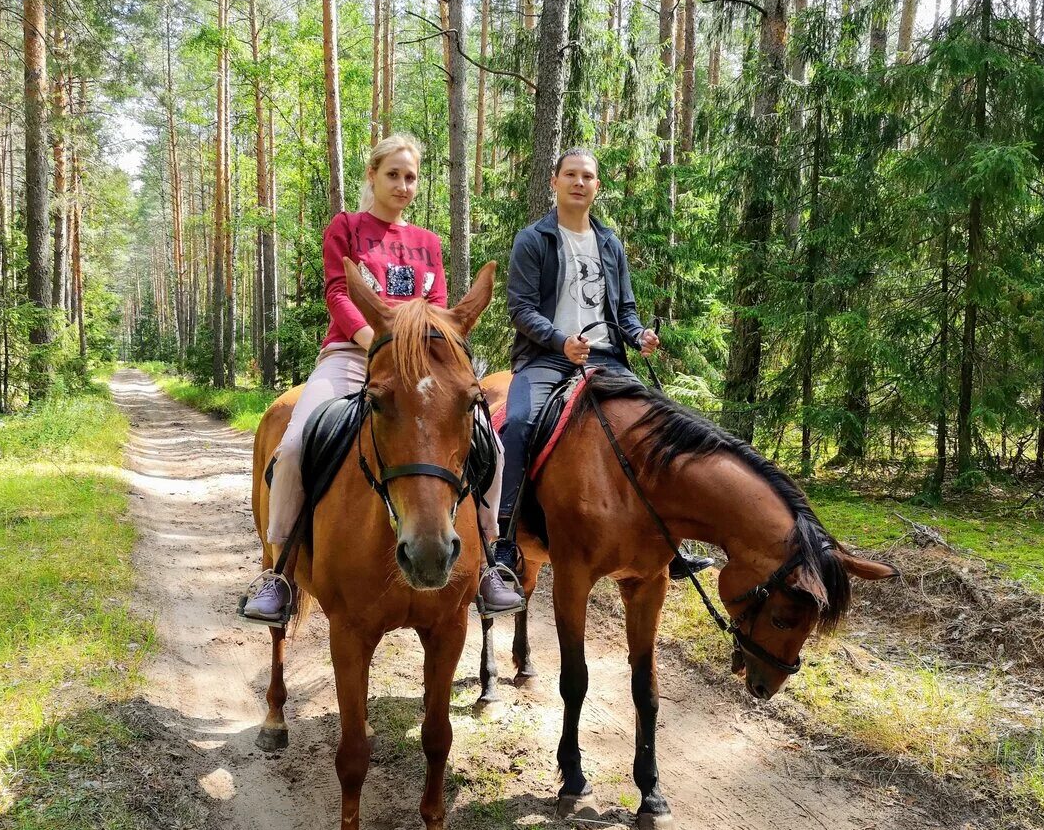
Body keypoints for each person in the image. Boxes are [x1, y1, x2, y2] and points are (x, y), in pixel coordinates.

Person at [242, 134, 522, 622]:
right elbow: (338, 293)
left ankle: (489, 562)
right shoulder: (346, 227)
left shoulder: (427, 243)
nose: (402, 185)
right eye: (393, 174)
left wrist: (425, 354)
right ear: (372, 175)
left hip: (417, 367)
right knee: (291, 445)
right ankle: (280, 570)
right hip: (351, 354)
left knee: (490, 446)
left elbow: (435, 310)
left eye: (410, 177)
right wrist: (376, 342)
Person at [494, 148, 715, 583]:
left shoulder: (610, 243)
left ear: (597, 186)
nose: (579, 182)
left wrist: (638, 336)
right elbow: (519, 308)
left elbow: (626, 309)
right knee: (517, 422)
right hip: (545, 357)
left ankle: (670, 544)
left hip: (607, 360)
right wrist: (561, 342)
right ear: (554, 182)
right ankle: (503, 539)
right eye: (570, 175)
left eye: (587, 176)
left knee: (659, 426)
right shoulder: (533, 239)